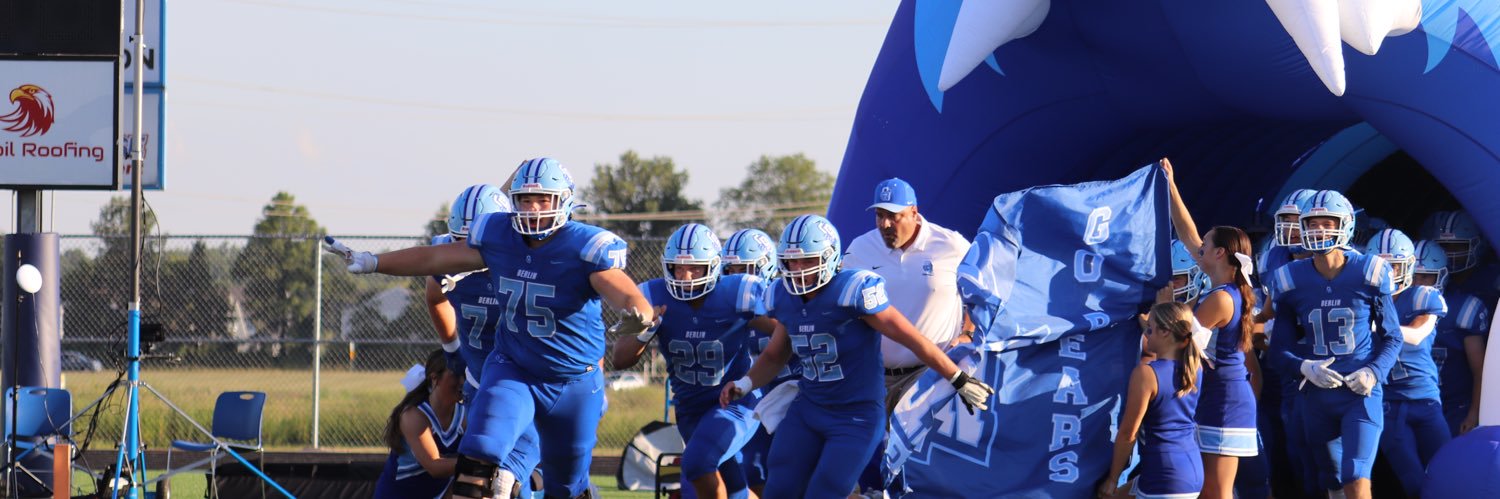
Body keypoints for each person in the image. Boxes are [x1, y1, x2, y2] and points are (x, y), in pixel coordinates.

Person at [326, 157, 654, 499]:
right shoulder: (498, 236)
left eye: (543, 199)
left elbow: (619, 286)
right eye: (526, 200)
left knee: (567, 488)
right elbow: (433, 259)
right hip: (514, 369)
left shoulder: (583, 244)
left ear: (565, 201)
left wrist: (639, 310)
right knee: (477, 464)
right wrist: (376, 261)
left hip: (572, 381)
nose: (534, 209)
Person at [719, 214, 994, 499]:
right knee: (780, 487)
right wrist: (746, 384)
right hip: (808, 409)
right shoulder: (782, 295)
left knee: (825, 492)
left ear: (829, 257)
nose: (798, 269)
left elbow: (912, 339)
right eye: (792, 261)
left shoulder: (853, 291)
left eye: (807, 260)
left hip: (855, 416)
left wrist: (957, 377)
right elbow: (775, 355)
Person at [612, 223, 773, 499]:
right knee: (734, 488)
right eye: (678, 267)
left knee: (698, 464)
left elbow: (784, 331)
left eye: (695, 268)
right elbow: (620, 358)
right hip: (690, 409)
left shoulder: (735, 293)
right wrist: (646, 331)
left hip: (734, 403)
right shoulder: (652, 295)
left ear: (712, 266)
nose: (685, 276)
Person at [840, 177, 973, 496]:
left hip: (928, 374)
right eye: (879, 215)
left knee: (917, 465)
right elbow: (842, 307)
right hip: (874, 375)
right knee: (869, 466)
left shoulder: (951, 245)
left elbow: (981, 295)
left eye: (894, 215)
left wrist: (968, 331)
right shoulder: (860, 249)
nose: (885, 223)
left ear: (914, 212)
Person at [1266, 189, 1403, 499]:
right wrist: (1303, 366)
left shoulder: (1369, 271)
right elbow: (1278, 350)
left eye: (1328, 223)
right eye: (1313, 223)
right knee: (1331, 478)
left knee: (1356, 475)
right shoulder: (1289, 278)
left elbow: (1392, 336)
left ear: (1345, 225)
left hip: (1360, 391)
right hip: (1318, 393)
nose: (1319, 230)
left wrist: (1373, 372)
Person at [425, 184, 541, 498]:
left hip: (524, 382)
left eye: (472, 241)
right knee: (491, 479)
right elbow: (435, 296)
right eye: (459, 240)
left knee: (510, 476)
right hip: (481, 381)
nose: (465, 249)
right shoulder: (517, 260)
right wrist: (452, 349)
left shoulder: (525, 262)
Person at [1164, 161, 1258, 499]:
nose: (1197, 246)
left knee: (1215, 492)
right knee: (1204, 488)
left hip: (1225, 399)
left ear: (1219, 253)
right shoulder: (1223, 285)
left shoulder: (1221, 298)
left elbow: (1179, 340)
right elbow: (1187, 233)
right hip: (1215, 395)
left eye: (1205, 244)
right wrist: (1171, 185)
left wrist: (1149, 315)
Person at [1364, 229, 1449, 496]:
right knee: (1412, 480)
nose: (1390, 272)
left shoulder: (1424, 296)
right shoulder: (1363, 300)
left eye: (1395, 265)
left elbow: (1416, 335)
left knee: (1445, 471)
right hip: (1387, 401)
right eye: (1383, 265)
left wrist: (1370, 326)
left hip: (1425, 399)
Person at [1099, 302, 1204, 499]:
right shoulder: (1196, 368)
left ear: (1165, 333)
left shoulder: (1146, 374)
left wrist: (1112, 479)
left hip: (1164, 474)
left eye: (1151, 329)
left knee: (1109, 494)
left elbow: (1128, 433)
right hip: (1191, 469)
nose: (1146, 334)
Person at [718, 228, 791, 496]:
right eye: (731, 269)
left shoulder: (782, 297)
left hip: (793, 398)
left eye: (744, 268)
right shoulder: (724, 304)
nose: (737, 277)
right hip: (752, 400)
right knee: (752, 473)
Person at [1414, 239, 1492, 436]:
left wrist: (1474, 414)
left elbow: (1480, 370)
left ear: (1442, 276)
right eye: (1412, 276)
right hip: (1408, 402)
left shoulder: (1462, 309)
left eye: (1426, 276)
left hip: (1453, 406)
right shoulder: (1391, 307)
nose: (1417, 284)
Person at [375, 350, 466, 499]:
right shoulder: (413, 415)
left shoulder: (465, 416)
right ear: (435, 378)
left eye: (465, 375)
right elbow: (434, 466)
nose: (462, 381)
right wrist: (478, 466)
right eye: (456, 375)